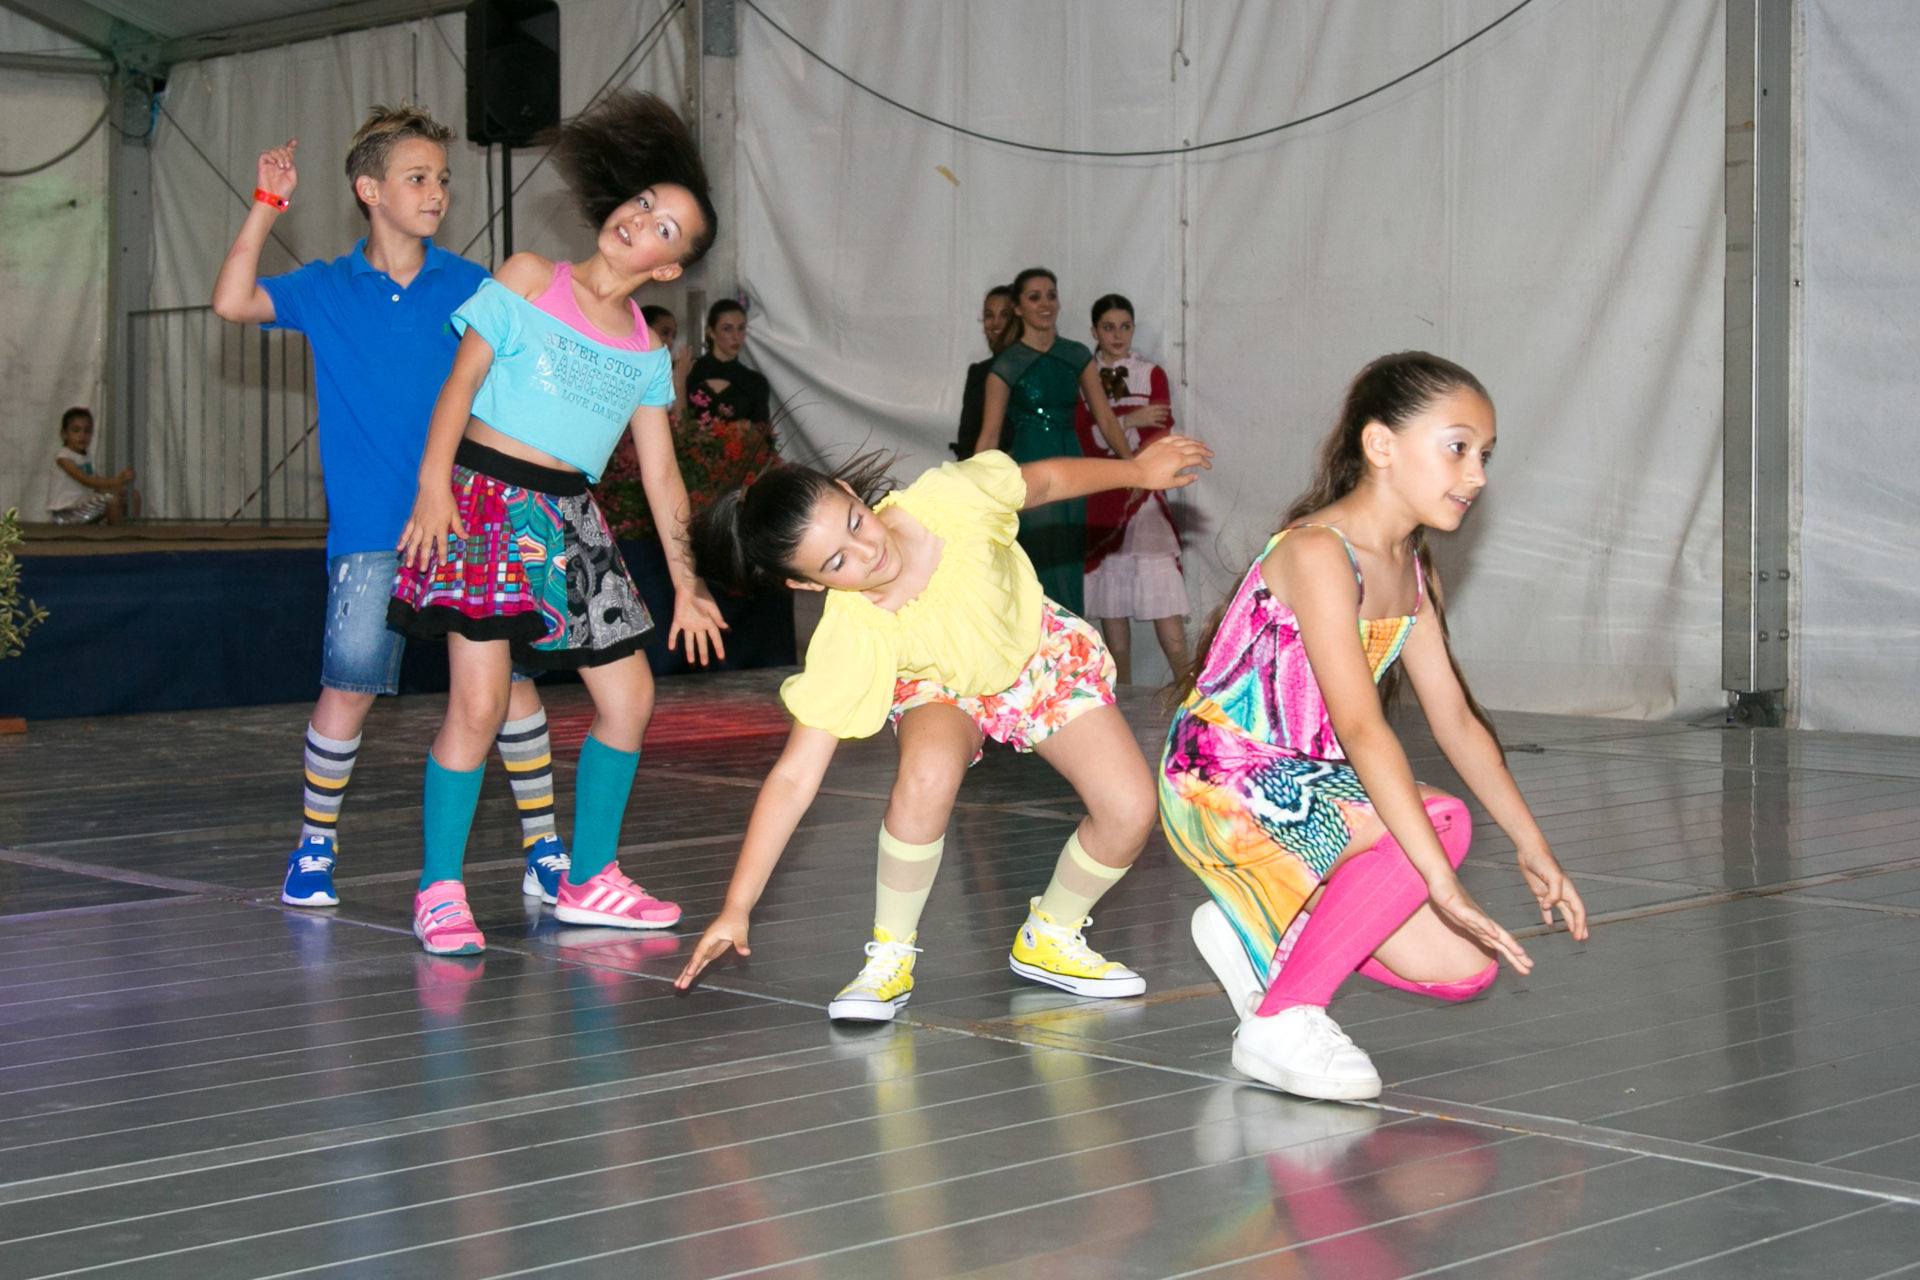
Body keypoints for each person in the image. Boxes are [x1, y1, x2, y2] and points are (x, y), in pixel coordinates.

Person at [1159, 351, 1587, 1100]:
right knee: (1436, 822)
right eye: (1457, 448)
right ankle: (1281, 1019)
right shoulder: (1318, 552)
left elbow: (1455, 721)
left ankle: (1260, 931)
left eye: (1485, 455)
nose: (1477, 474)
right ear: (1382, 445)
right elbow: (1362, 728)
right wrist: (1440, 880)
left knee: (1464, 970)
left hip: (1307, 790)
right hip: (1221, 776)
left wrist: (1534, 844)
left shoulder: (1411, 569)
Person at [673, 433, 1215, 1020]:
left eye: (855, 522)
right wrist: (737, 904)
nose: (867, 552)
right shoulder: (854, 629)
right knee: (927, 773)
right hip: (938, 685)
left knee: (1131, 809)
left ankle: (1051, 935)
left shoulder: (950, 500)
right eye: (836, 563)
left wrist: (1137, 470)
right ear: (807, 585)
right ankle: (889, 955)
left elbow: (1047, 481)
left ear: (851, 492)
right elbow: (793, 777)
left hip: (1033, 656)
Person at [387, 91, 728, 956]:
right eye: (642, 202)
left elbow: (662, 474)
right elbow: (459, 385)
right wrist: (433, 487)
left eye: (664, 228)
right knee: (478, 704)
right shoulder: (531, 276)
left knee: (631, 697)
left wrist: (688, 584)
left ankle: (590, 878)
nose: (640, 221)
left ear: (668, 269)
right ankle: (439, 888)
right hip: (486, 502)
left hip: (571, 524)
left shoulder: (646, 350)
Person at [211, 105, 570, 910]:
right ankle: (314, 848)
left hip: (472, 527)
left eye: (442, 178)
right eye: (417, 178)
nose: (436, 191)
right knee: (350, 686)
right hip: (375, 530)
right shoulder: (325, 288)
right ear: (369, 190)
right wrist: (267, 205)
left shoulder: (472, 285)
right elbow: (232, 300)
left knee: (511, 688)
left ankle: (545, 849)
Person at [976, 267, 1132, 616]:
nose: (1045, 304)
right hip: (1029, 466)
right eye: (1035, 297)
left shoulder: (1076, 354)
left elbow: (1105, 418)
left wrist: (1134, 468)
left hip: (1072, 464)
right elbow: (989, 435)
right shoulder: (1006, 364)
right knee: (1035, 563)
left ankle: (1070, 643)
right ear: (1018, 308)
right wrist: (974, 489)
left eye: (1051, 295)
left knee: (1068, 563)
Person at [1073, 294, 1187, 684]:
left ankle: (1189, 691)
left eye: (1125, 327)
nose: (1118, 335)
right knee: (1112, 602)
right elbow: (1083, 440)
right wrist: (1131, 419)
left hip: (1143, 496)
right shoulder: (1082, 377)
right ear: (1094, 331)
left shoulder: (1151, 373)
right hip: (1101, 494)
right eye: (1108, 327)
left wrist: (1136, 465)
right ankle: (1122, 695)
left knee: (1163, 595)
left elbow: (1160, 433)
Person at [951, 283, 1014, 459]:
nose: (995, 323)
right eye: (989, 315)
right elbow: (966, 438)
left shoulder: (1036, 369)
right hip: (982, 468)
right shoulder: (978, 373)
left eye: (1004, 315)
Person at [45, 407, 138, 525]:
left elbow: (97, 484)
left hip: (81, 508)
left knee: (132, 495)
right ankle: (117, 534)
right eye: (76, 430)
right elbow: (87, 481)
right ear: (64, 434)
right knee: (112, 500)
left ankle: (133, 530)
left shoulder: (86, 456)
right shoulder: (63, 457)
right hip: (65, 514)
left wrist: (120, 488)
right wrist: (119, 480)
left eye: (87, 431)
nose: (82, 435)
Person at [685, 299, 770, 426]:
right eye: (727, 329)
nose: (736, 336)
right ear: (711, 332)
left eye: (741, 328)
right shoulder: (691, 372)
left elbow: (762, 433)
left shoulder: (755, 382)